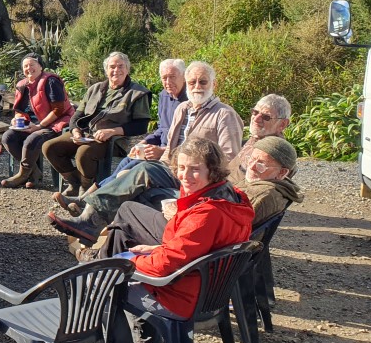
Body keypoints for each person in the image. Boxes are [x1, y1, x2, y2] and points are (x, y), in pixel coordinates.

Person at [106, 136, 254, 343]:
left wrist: (128, 263)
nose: (185, 175)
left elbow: (166, 266)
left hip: (182, 296)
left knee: (103, 288)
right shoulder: (235, 198)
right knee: (124, 245)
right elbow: (198, 251)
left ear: (213, 171)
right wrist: (155, 250)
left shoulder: (206, 214)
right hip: (209, 289)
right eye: (182, 168)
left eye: (195, 170)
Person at [49, 61, 244, 241]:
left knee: (143, 172)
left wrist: (194, 168)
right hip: (172, 168)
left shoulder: (224, 115)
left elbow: (229, 158)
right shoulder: (183, 108)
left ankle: (90, 222)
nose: (197, 87)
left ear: (214, 85)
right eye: (192, 82)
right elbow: (171, 144)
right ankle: (95, 224)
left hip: (199, 177)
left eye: (203, 82)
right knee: (129, 172)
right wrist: (161, 154)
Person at [78, 136, 303, 262]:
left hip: (203, 252)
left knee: (128, 210)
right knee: (142, 199)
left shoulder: (262, 194)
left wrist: (146, 258)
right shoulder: (268, 187)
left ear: (282, 173)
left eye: (261, 164)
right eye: (252, 159)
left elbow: (211, 237)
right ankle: (102, 262)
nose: (252, 166)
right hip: (204, 234)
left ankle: (100, 261)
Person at [64, 58, 187, 201]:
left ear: (183, 76)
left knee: (130, 168)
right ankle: (86, 198)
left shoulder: (189, 102)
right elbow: (161, 129)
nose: (167, 82)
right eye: (164, 78)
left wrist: (163, 151)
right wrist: (144, 142)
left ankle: (91, 201)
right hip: (158, 148)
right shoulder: (164, 96)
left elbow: (189, 140)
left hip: (173, 156)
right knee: (125, 162)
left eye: (172, 77)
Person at [42, 52, 151, 195]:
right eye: (112, 67)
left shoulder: (137, 93)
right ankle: (75, 182)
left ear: (127, 69)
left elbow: (141, 125)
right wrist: (75, 131)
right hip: (87, 134)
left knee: (84, 153)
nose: (116, 70)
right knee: (50, 147)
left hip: (114, 140)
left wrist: (112, 131)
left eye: (120, 66)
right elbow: (76, 116)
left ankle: (85, 187)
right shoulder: (95, 89)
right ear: (106, 70)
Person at [0, 54, 74, 189]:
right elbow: (19, 110)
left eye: (32, 64)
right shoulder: (22, 85)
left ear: (40, 66)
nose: (29, 68)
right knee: (7, 137)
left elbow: (58, 109)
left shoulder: (50, 81)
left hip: (55, 123)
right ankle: (34, 173)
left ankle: (23, 174)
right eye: (25, 66)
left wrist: (39, 126)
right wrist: (17, 118)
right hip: (31, 124)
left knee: (32, 139)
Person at [233, 94, 292, 174]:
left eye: (265, 117)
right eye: (255, 112)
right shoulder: (256, 139)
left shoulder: (274, 153)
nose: (256, 119)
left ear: (282, 124)